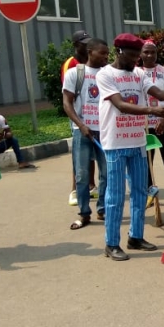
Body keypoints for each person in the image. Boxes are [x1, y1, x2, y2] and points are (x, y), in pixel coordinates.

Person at [96, 34, 164, 261]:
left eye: (137, 57)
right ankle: (111, 244)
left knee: (141, 192)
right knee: (116, 195)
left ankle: (136, 237)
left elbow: (159, 94)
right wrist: (153, 111)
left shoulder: (139, 73)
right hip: (116, 143)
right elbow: (121, 105)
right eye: (132, 56)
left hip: (138, 141)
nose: (135, 61)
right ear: (119, 51)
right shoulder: (106, 75)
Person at [62, 38, 108, 230]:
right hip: (83, 131)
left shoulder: (108, 73)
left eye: (107, 54)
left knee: (107, 173)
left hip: (105, 131)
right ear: (90, 52)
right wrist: (81, 125)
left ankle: (103, 209)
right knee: (81, 174)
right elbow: (67, 103)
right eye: (102, 53)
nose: (106, 57)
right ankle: (83, 213)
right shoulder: (75, 73)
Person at [141, 39, 164, 210]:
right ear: (140, 54)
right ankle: (149, 194)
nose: (149, 55)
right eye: (146, 52)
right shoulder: (135, 72)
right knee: (145, 163)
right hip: (144, 126)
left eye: (153, 52)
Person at [62, 30, 96, 205]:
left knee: (93, 154)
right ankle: (75, 189)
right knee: (80, 155)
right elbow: (70, 94)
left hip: (94, 116)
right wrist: (79, 119)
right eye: (84, 43)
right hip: (78, 115)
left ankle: (91, 185)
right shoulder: (71, 64)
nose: (88, 45)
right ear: (76, 45)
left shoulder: (92, 63)